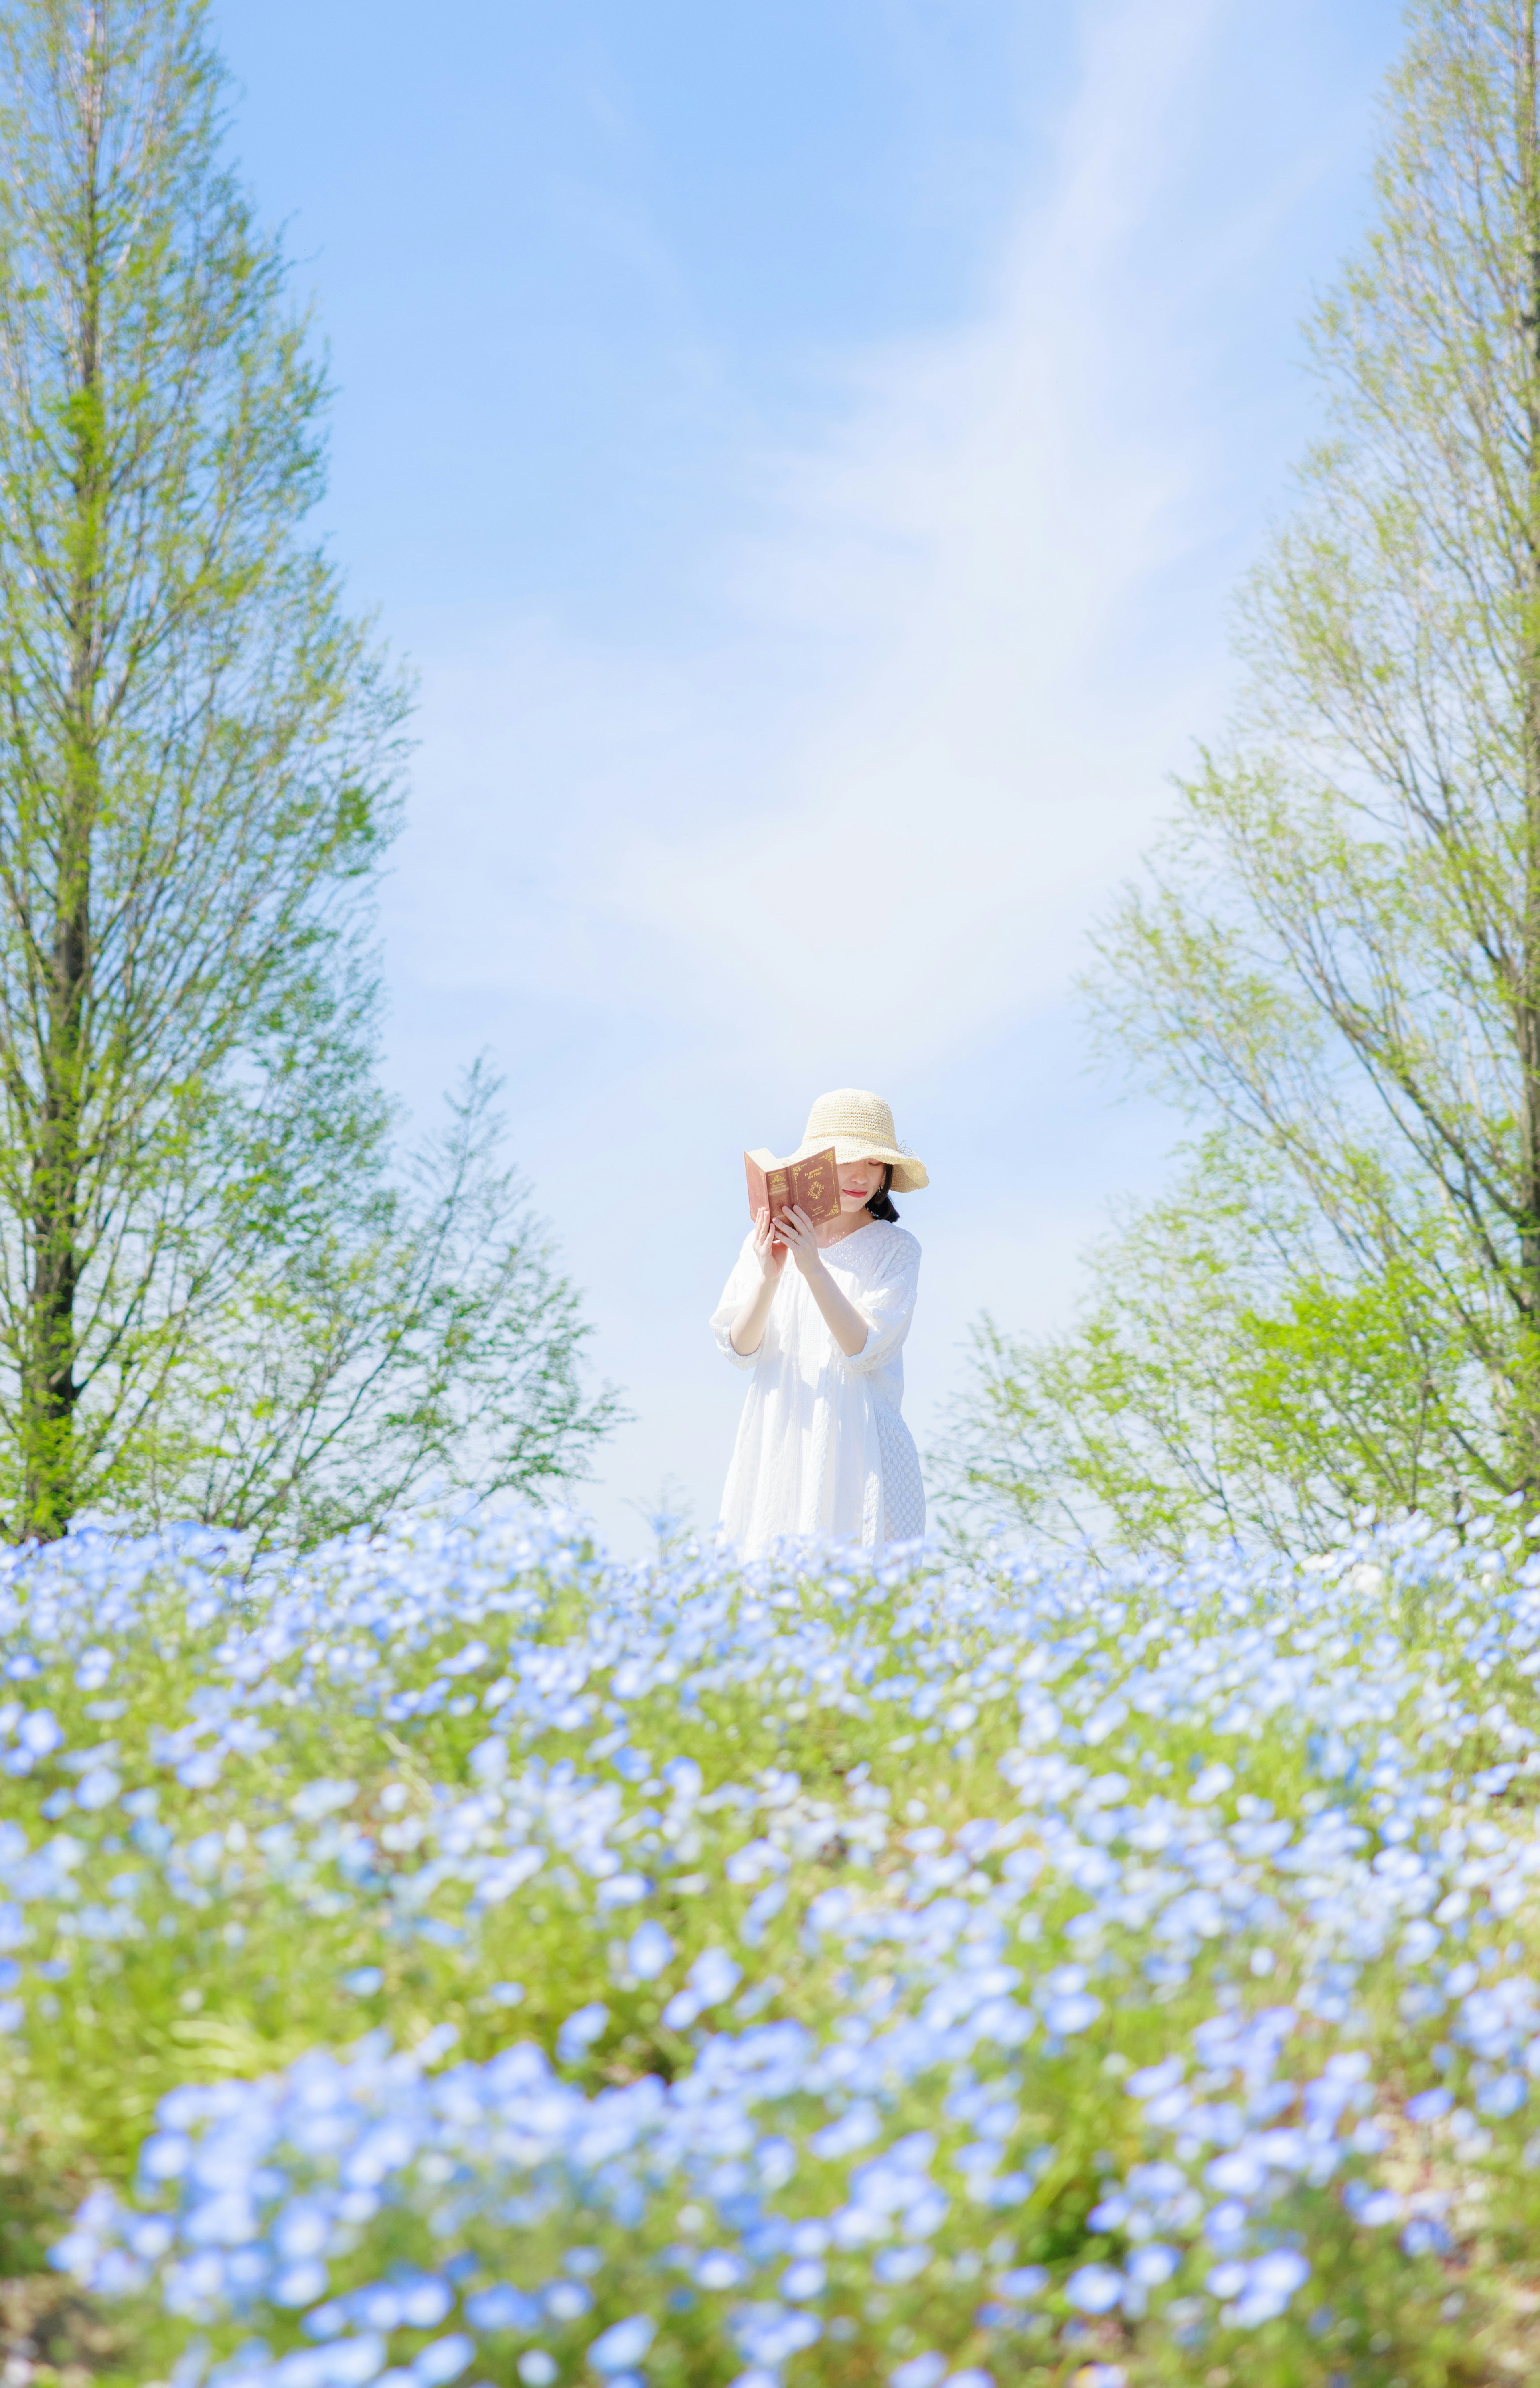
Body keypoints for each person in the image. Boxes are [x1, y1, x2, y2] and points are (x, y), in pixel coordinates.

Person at [711, 1087, 928, 1554]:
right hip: (780, 1437)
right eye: (846, 1159)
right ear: (815, 1165)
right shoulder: (768, 1238)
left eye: (874, 1162)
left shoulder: (895, 1249)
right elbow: (739, 1348)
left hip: (861, 1444)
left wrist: (811, 1266)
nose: (860, 1176)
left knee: (863, 1603)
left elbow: (864, 1348)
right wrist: (771, 1274)